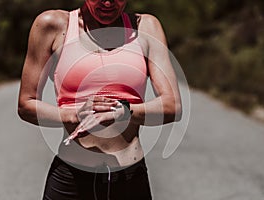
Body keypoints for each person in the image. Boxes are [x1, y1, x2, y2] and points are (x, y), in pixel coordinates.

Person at [18, 0, 182, 199]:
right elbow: (26, 104)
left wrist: (123, 112)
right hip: (70, 181)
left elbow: (172, 105)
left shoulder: (146, 27)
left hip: (129, 181)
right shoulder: (52, 25)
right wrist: (73, 115)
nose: (107, 3)